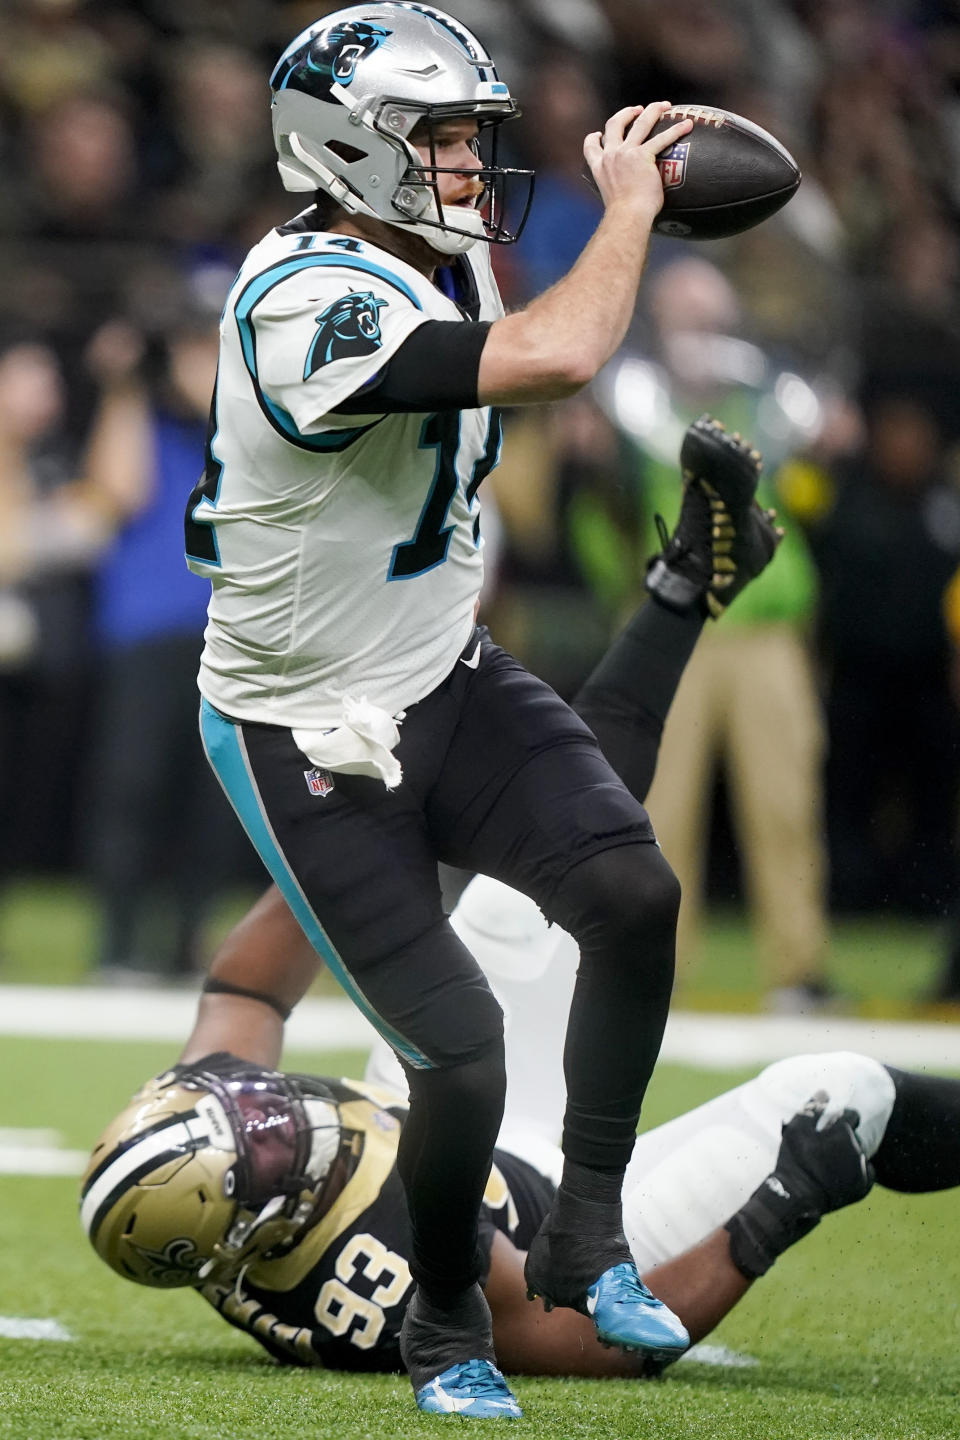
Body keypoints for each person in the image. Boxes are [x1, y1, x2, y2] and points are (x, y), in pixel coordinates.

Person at [177, 3, 758, 1416]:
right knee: (462, 1049)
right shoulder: (304, 297)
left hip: (441, 667)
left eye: (468, 136)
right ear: (345, 147)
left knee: (630, 893)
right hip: (304, 727)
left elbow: (560, 342)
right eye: (437, 137)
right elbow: (556, 359)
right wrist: (631, 213)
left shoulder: (438, 255)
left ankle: (591, 1232)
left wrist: (639, 166)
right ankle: (446, 1319)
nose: (465, 165)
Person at [87, 403, 784, 1391]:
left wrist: (375, 867)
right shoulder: (341, 1271)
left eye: (239, 1108)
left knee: (545, 855)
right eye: (262, 1150)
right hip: (505, 1183)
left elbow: (246, 989)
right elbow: (579, 1350)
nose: (269, 1116)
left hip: (447, 1097)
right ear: (240, 1232)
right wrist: (769, 1215)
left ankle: (680, 591)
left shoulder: (222, 1108)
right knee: (840, 1095)